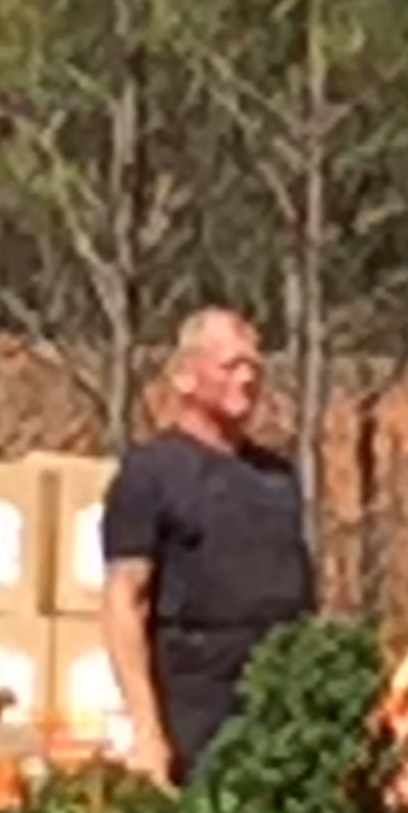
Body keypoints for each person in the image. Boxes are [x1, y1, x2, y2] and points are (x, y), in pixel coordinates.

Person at [99, 307, 316, 786]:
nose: (247, 379)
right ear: (184, 376)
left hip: (275, 707)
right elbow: (124, 602)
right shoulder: (149, 474)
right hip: (193, 707)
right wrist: (148, 733)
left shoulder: (277, 480)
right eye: (230, 366)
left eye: (254, 368)